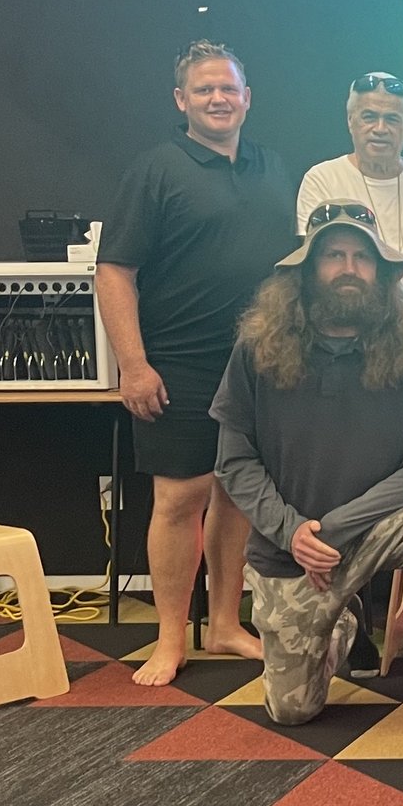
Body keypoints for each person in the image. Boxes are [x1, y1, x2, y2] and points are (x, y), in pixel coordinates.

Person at [212, 209, 403, 754]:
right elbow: (234, 462)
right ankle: (345, 624)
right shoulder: (257, 349)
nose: (350, 268)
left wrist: (330, 531)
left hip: (374, 528)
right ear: (306, 270)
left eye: (363, 257)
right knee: (292, 711)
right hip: (293, 548)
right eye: (334, 255)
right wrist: (293, 533)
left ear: (382, 273)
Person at [97, 41, 295, 686]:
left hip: (261, 365)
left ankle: (226, 625)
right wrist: (133, 364)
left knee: (238, 496)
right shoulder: (154, 170)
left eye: (229, 89)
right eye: (204, 90)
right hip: (177, 363)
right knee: (180, 497)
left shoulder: (273, 167)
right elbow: (114, 271)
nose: (219, 99)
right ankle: (170, 637)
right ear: (181, 100)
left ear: (247, 97)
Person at [294, 72, 403, 356]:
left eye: (392, 119)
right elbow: (313, 265)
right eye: (368, 116)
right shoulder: (321, 179)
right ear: (350, 121)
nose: (380, 128)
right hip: (348, 348)